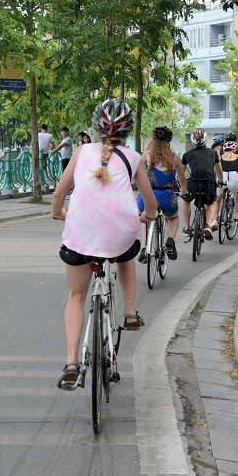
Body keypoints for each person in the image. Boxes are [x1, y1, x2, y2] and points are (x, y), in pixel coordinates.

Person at [51, 99, 158, 390]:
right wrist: (147, 217)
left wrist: (57, 212)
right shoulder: (133, 157)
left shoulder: (82, 151)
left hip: (81, 230)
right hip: (120, 231)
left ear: (96, 126)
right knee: (125, 253)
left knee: (76, 296)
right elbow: (150, 203)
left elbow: (60, 192)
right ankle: (131, 312)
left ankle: (72, 362)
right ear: (127, 130)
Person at [137, 125, 187, 262]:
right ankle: (170, 240)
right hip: (167, 197)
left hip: (148, 196)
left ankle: (144, 247)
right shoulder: (175, 157)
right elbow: (182, 179)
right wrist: (184, 191)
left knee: (147, 216)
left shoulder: (148, 155)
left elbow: (138, 172)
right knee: (173, 218)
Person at [180, 128, 223, 241]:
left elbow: (181, 172)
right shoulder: (213, 153)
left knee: (186, 199)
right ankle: (208, 225)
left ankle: (187, 227)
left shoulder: (187, 155)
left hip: (193, 183)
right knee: (211, 202)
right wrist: (220, 181)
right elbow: (219, 171)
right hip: (209, 183)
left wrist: (184, 183)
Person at [216, 140, 238, 220]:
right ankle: (236, 213)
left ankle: (216, 218)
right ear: (235, 149)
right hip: (234, 177)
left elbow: (218, 171)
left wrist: (217, 181)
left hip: (223, 177)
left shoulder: (220, 158)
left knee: (218, 200)